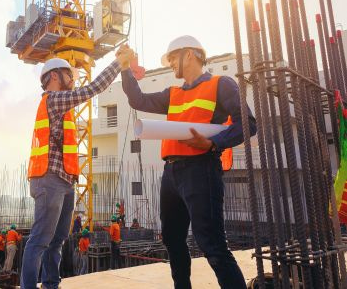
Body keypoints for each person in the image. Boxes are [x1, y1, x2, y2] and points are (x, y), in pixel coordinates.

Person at [121, 36, 256, 289]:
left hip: (201, 168)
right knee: (172, 239)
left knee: (212, 244)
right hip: (171, 173)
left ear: (190, 55)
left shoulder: (221, 84)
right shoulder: (173, 94)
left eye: (173, 58)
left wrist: (214, 143)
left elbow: (248, 123)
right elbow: (138, 100)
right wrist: (125, 69)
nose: (171, 64)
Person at [20, 47, 134, 289]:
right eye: (68, 75)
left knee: (58, 239)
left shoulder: (63, 107)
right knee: (40, 240)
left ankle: (51, 284)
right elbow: (93, 89)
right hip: (48, 179)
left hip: (65, 180)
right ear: (53, 77)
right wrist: (117, 63)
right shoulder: (53, 100)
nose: (72, 80)